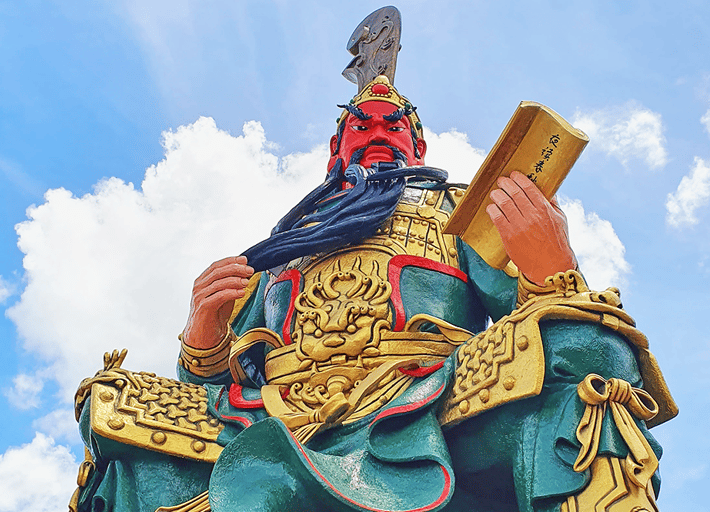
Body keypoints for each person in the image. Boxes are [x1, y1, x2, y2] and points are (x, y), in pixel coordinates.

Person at [72, 13, 676, 512]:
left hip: (425, 396)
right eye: (362, 124)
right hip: (276, 412)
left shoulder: (453, 211)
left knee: (595, 372)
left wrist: (553, 270)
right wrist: (203, 337)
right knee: (112, 406)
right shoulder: (284, 246)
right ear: (337, 146)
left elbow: (561, 332)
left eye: (395, 125)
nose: (379, 131)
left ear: (417, 144)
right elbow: (213, 384)